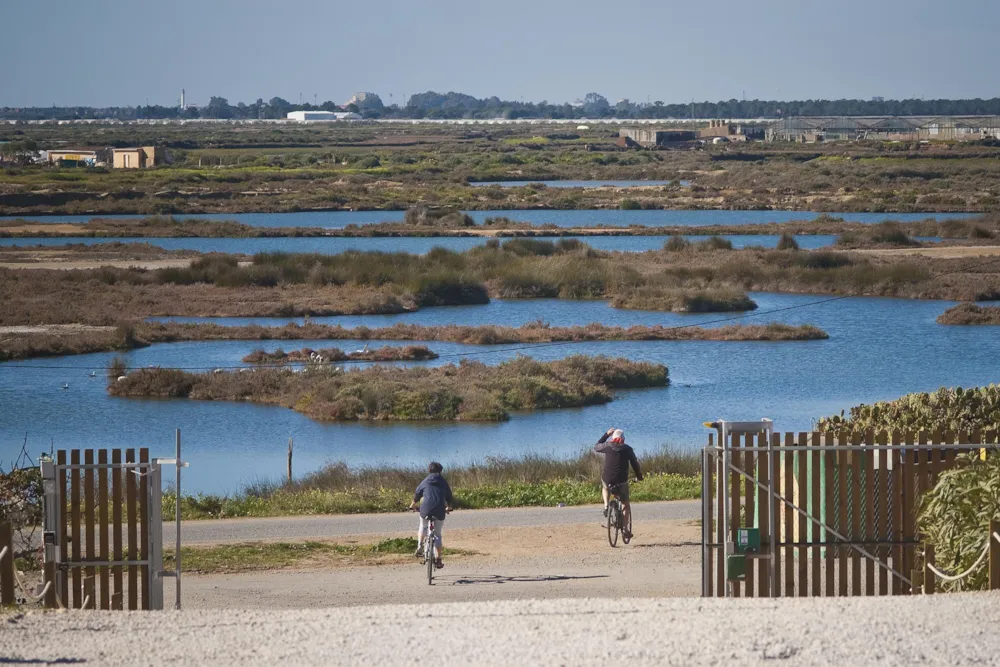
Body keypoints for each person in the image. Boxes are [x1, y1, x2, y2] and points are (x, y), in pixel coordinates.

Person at [594, 427, 643, 539]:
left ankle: (606, 506)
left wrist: (606, 434)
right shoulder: (627, 449)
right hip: (621, 481)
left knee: (605, 487)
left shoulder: (607, 446)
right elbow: (635, 464)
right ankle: (625, 530)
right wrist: (639, 476)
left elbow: (596, 446)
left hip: (607, 478)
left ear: (613, 438)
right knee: (625, 503)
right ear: (623, 439)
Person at [409, 461, 454, 569]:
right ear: (440, 471)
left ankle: (420, 545)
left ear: (429, 470)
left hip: (425, 510)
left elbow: (417, 494)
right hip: (439, 511)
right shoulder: (443, 482)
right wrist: (449, 507)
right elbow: (449, 497)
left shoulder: (425, 481)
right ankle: (438, 559)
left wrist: (412, 505)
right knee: (437, 534)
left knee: (423, 525)